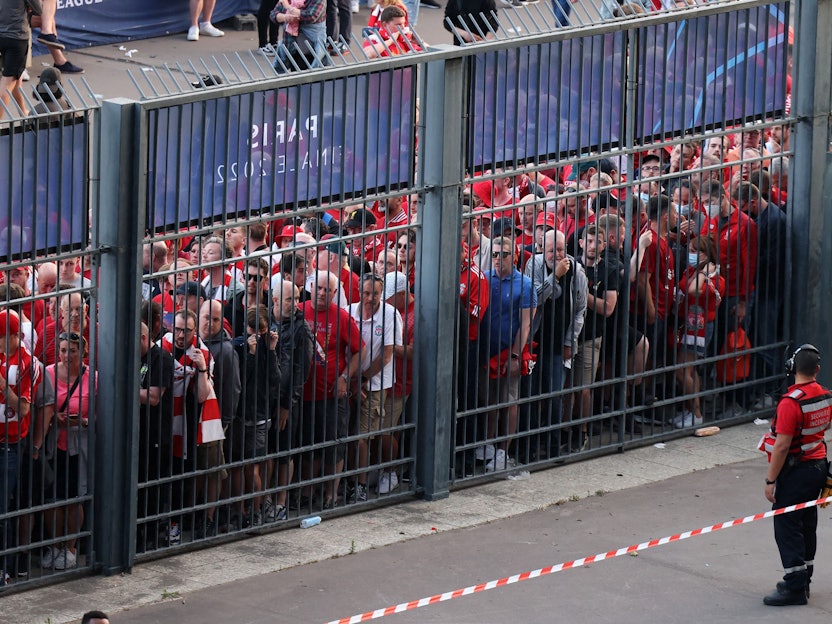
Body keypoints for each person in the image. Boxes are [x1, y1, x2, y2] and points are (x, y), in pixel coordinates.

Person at [761, 344, 832, 606]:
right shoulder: (825, 395)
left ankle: (794, 587)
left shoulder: (791, 403)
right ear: (817, 369)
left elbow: (781, 446)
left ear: (791, 369)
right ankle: (804, 579)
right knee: (806, 524)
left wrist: (770, 480)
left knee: (787, 526)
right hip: (818, 467)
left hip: (795, 471)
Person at [43, 331, 97, 571]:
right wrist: (55, 418)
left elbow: (100, 412)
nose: (66, 355)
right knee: (52, 499)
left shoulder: (92, 377)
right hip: (53, 444)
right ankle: (55, 546)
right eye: (63, 350)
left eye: (72, 351)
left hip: (80, 445)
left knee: (75, 498)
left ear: (82, 352)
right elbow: (40, 406)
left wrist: (83, 421)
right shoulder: (48, 373)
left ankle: (70, 548)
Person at [0, 310, 38, 585]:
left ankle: (6, 567)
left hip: (10, 446)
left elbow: (24, 408)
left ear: (15, 336)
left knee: (4, 508)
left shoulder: (26, 362)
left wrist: (2, 387)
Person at [0, 0, 30, 119]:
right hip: (16, 36)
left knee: (16, 77)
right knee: (8, 81)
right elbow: (39, 8)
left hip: (3, 34)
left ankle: (23, 112)